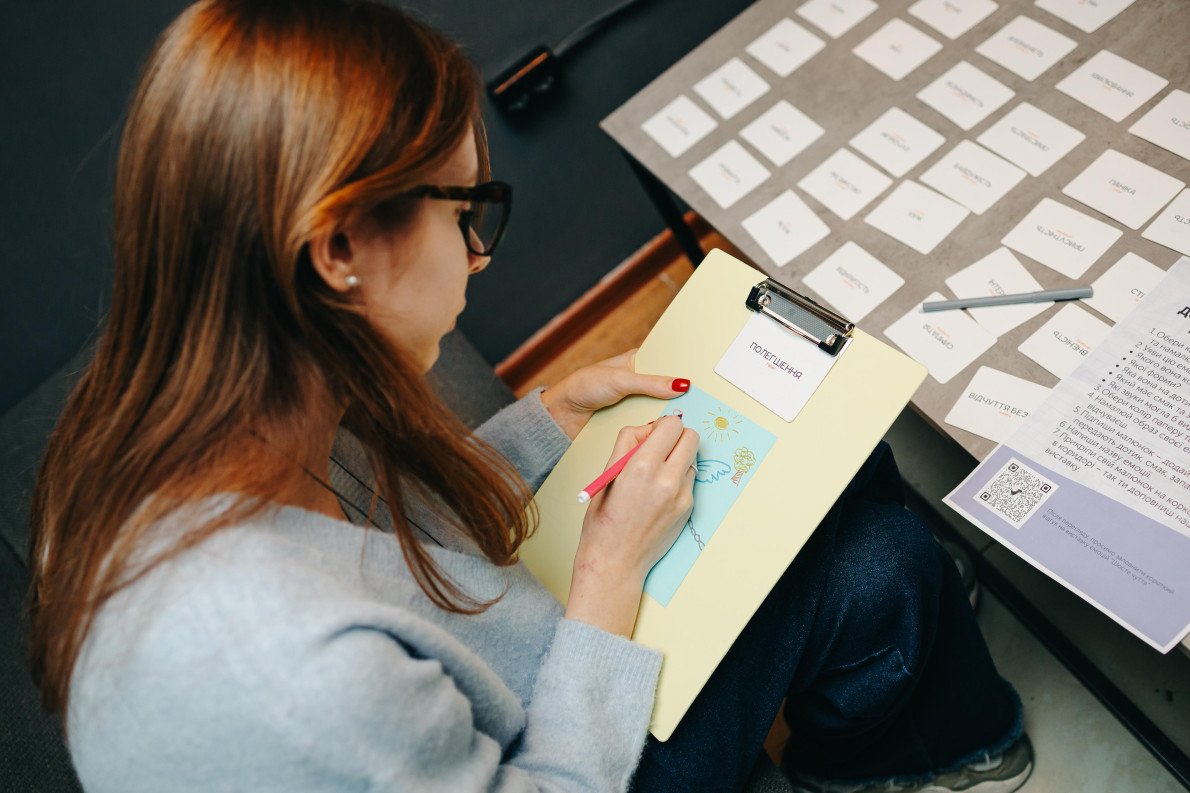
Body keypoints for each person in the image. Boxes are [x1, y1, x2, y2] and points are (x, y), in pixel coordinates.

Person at [27, 1, 1032, 791]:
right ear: (337, 248)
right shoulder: (295, 677)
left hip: (506, 686)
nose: (478, 256)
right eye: (466, 210)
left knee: (837, 461)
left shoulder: (196, 410)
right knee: (879, 558)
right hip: (554, 757)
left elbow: (383, 548)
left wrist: (549, 419)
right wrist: (606, 574)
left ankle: (901, 653)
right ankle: (924, 730)